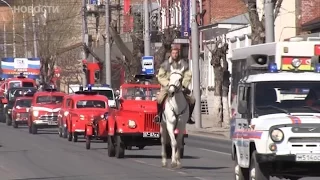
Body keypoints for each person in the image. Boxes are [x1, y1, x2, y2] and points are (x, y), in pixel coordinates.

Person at [153, 46, 195, 124]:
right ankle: (158, 115)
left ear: (178, 53)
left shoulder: (183, 64)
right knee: (159, 99)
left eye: (176, 53)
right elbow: (160, 76)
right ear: (171, 53)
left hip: (180, 87)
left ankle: (189, 117)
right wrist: (169, 83)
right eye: (173, 53)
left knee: (192, 100)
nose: (175, 55)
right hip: (168, 86)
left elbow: (188, 75)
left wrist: (183, 85)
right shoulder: (165, 64)